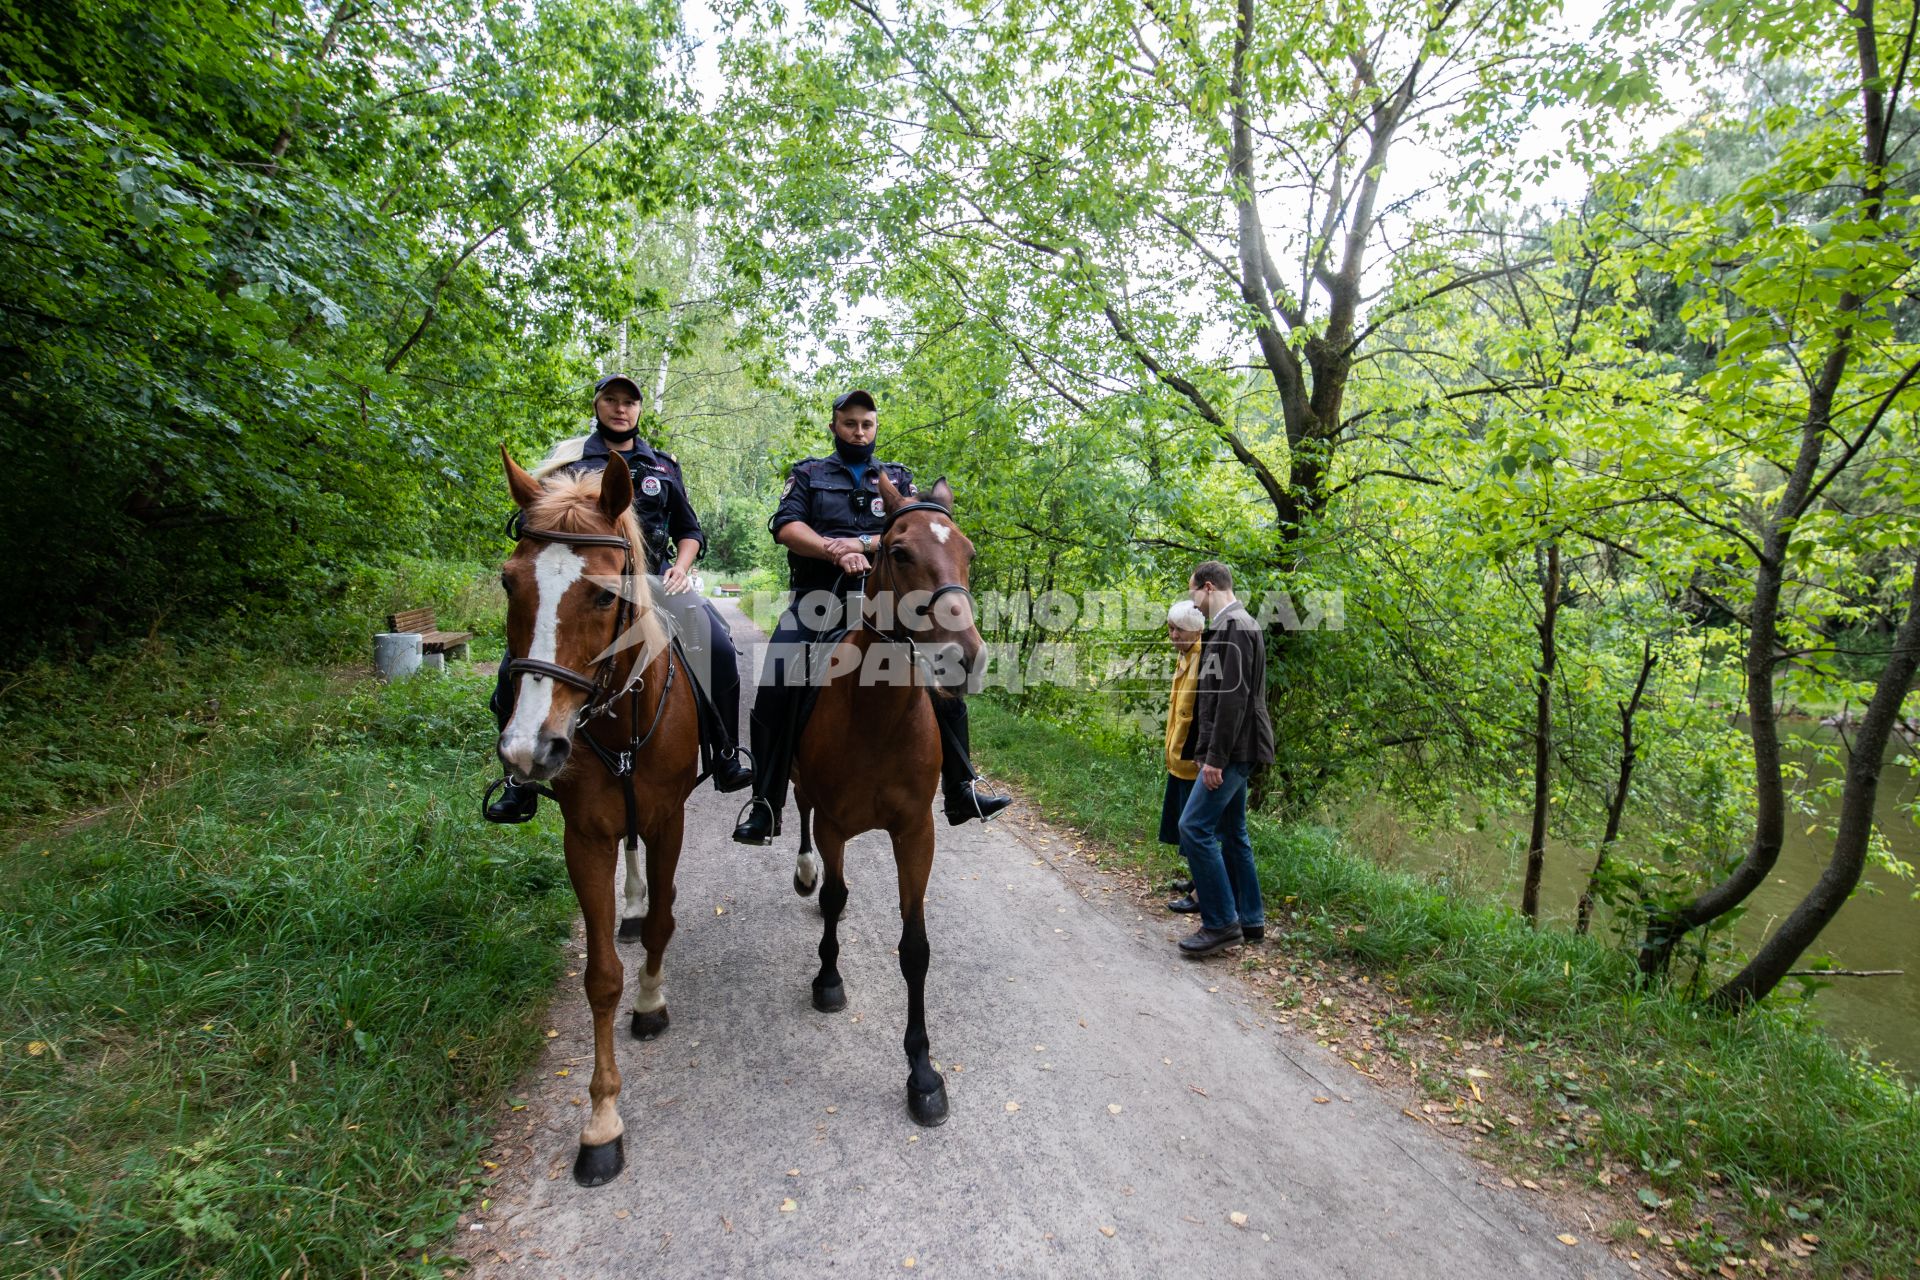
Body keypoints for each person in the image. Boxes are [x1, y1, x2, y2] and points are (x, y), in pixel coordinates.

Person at [730, 388, 1010, 844]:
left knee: (943, 672)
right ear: (834, 426)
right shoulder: (809, 473)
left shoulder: (898, 477)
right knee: (777, 679)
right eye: (850, 423)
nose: (859, 432)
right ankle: (765, 802)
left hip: (888, 604)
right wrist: (831, 550)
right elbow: (786, 526)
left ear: (876, 427)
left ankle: (962, 786)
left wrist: (861, 546)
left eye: (867, 424)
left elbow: (919, 533)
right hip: (818, 602)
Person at [484, 374, 752, 824]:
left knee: (719, 648)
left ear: (640, 410)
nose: (620, 408)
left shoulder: (663, 466)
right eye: (611, 400)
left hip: (656, 581)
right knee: (513, 664)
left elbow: (690, 531)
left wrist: (681, 567)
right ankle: (518, 780)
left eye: (629, 401)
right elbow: (539, 528)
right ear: (598, 405)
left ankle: (723, 752)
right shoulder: (567, 462)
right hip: (589, 587)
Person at [1174, 560, 1276, 956]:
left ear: (1209, 586)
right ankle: (1250, 919)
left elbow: (1231, 700)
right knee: (1233, 833)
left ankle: (1220, 923)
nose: (1193, 604)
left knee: (1194, 827)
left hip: (1234, 750)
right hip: (1240, 747)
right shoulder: (1241, 623)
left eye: (1194, 593)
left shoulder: (1235, 627)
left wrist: (1214, 758)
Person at [1158, 599, 1206, 907]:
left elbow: (1205, 714)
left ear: (1196, 630)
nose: (1173, 635)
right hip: (1178, 758)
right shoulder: (1185, 654)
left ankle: (1202, 892)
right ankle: (1195, 879)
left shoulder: (1204, 657)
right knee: (1183, 825)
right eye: (1170, 629)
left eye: (1179, 630)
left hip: (1194, 762)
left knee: (1197, 827)